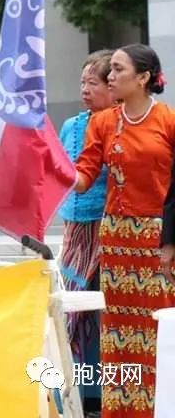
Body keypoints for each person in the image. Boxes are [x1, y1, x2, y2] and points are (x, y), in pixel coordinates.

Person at [74, 44, 175, 417]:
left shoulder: (168, 120)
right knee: (117, 330)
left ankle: (162, 405)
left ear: (143, 77)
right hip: (116, 238)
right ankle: (121, 410)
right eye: (110, 70)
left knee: (158, 327)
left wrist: (170, 242)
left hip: (159, 239)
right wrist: (54, 170)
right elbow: (84, 176)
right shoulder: (101, 123)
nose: (110, 77)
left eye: (117, 70)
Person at [56, 50, 113, 410]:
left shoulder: (119, 124)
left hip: (107, 227)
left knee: (106, 311)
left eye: (94, 83)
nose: (86, 90)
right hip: (75, 231)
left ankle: (106, 392)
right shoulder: (71, 126)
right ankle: (79, 393)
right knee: (74, 313)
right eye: (83, 82)